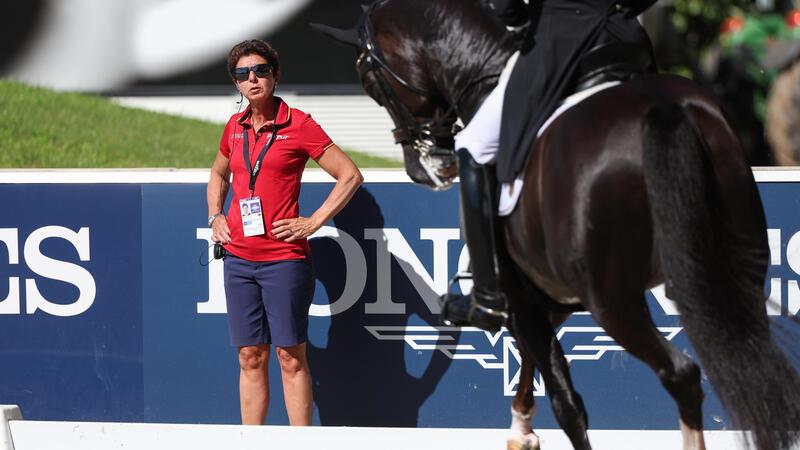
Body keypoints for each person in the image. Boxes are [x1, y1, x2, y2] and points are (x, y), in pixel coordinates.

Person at [440, 0, 657, 332]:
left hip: (561, 43)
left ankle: (486, 297)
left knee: (473, 145)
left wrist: (517, 17)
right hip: (628, 40)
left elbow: (507, 7)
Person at [207, 39, 363, 426]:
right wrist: (214, 215)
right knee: (249, 356)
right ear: (236, 84)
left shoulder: (300, 124)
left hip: (284, 260)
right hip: (239, 260)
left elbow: (350, 175)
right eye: (242, 74)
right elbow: (218, 173)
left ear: (275, 75)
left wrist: (314, 221)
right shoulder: (235, 126)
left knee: (290, 356)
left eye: (260, 70)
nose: (252, 79)